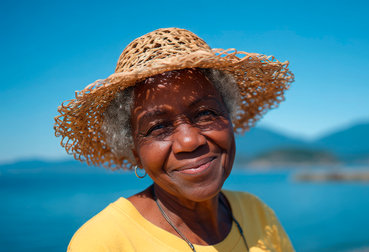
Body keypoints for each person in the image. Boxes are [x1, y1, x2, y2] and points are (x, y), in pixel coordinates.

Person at [55, 28, 295, 251]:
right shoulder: (103, 242)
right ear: (135, 152)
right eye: (158, 127)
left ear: (230, 118)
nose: (190, 141)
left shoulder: (257, 214)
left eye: (205, 114)